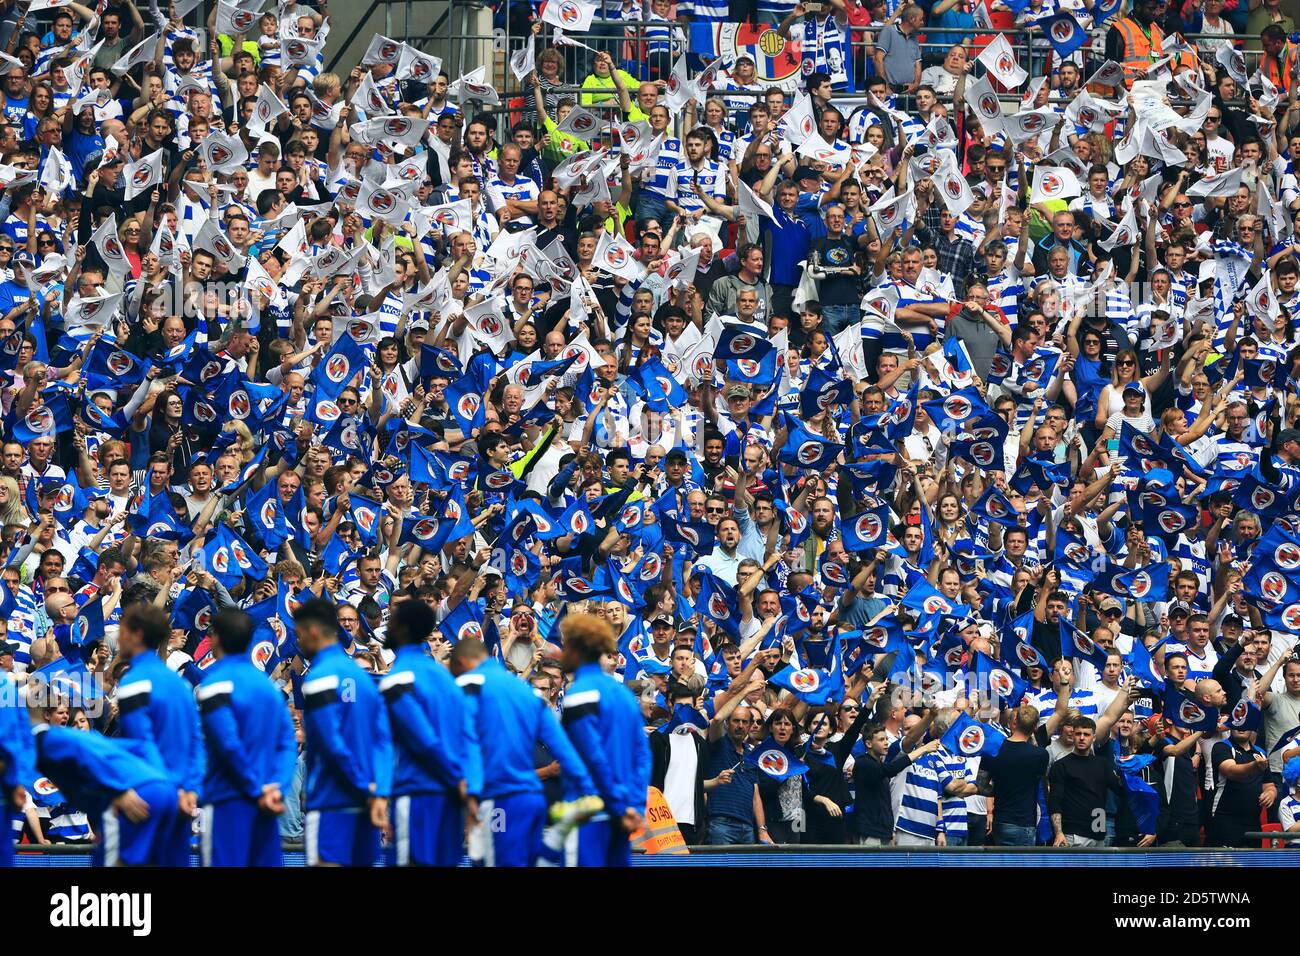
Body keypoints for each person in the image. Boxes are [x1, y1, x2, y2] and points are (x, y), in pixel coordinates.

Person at [450, 637, 598, 867]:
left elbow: (467, 745)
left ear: (461, 663)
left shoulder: (466, 688)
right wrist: (587, 791)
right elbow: (564, 748)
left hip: (497, 800)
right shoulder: (527, 693)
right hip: (533, 800)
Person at [380, 599, 481, 867]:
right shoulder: (446, 678)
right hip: (450, 799)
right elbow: (468, 737)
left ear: (402, 628)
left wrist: (457, 780)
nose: (386, 627)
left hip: (417, 794)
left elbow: (424, 740)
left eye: (390, 621)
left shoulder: (397, 678)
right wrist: (467, 786)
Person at [294, 598, 393, 867]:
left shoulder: (318, 677)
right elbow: (384, 741)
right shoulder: (366, 678)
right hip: (368, 805)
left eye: (299, 634)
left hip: (332, 802)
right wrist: (379, 790)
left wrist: (363, 787)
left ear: (312, 631)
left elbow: (331, 742)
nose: (298, 642)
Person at [195, 609, 298, 867]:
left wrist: (255, 789)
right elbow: (287, 744)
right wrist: (276, 787)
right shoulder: (268, 687)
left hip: (228, 802)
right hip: (267, 803)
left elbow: (229, 744)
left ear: (215, 639)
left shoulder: (214, 685)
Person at [114, 603, 206, 867]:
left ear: (137, 634)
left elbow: (142, 742)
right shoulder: (179, 683)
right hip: (182, 797)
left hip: (150, 792)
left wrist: (166, 787)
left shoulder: (133, 682)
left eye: (122, 631)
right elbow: (195, 744)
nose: (119, 638)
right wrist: (190, 789)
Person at [558, 611, 650, 866]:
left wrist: (619, 805)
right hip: (621, 816)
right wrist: (634, 807)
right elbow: (642, 756)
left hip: (588, 812)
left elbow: (594, 757)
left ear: (576, 648)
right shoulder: (624, 695)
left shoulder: (578, 693)